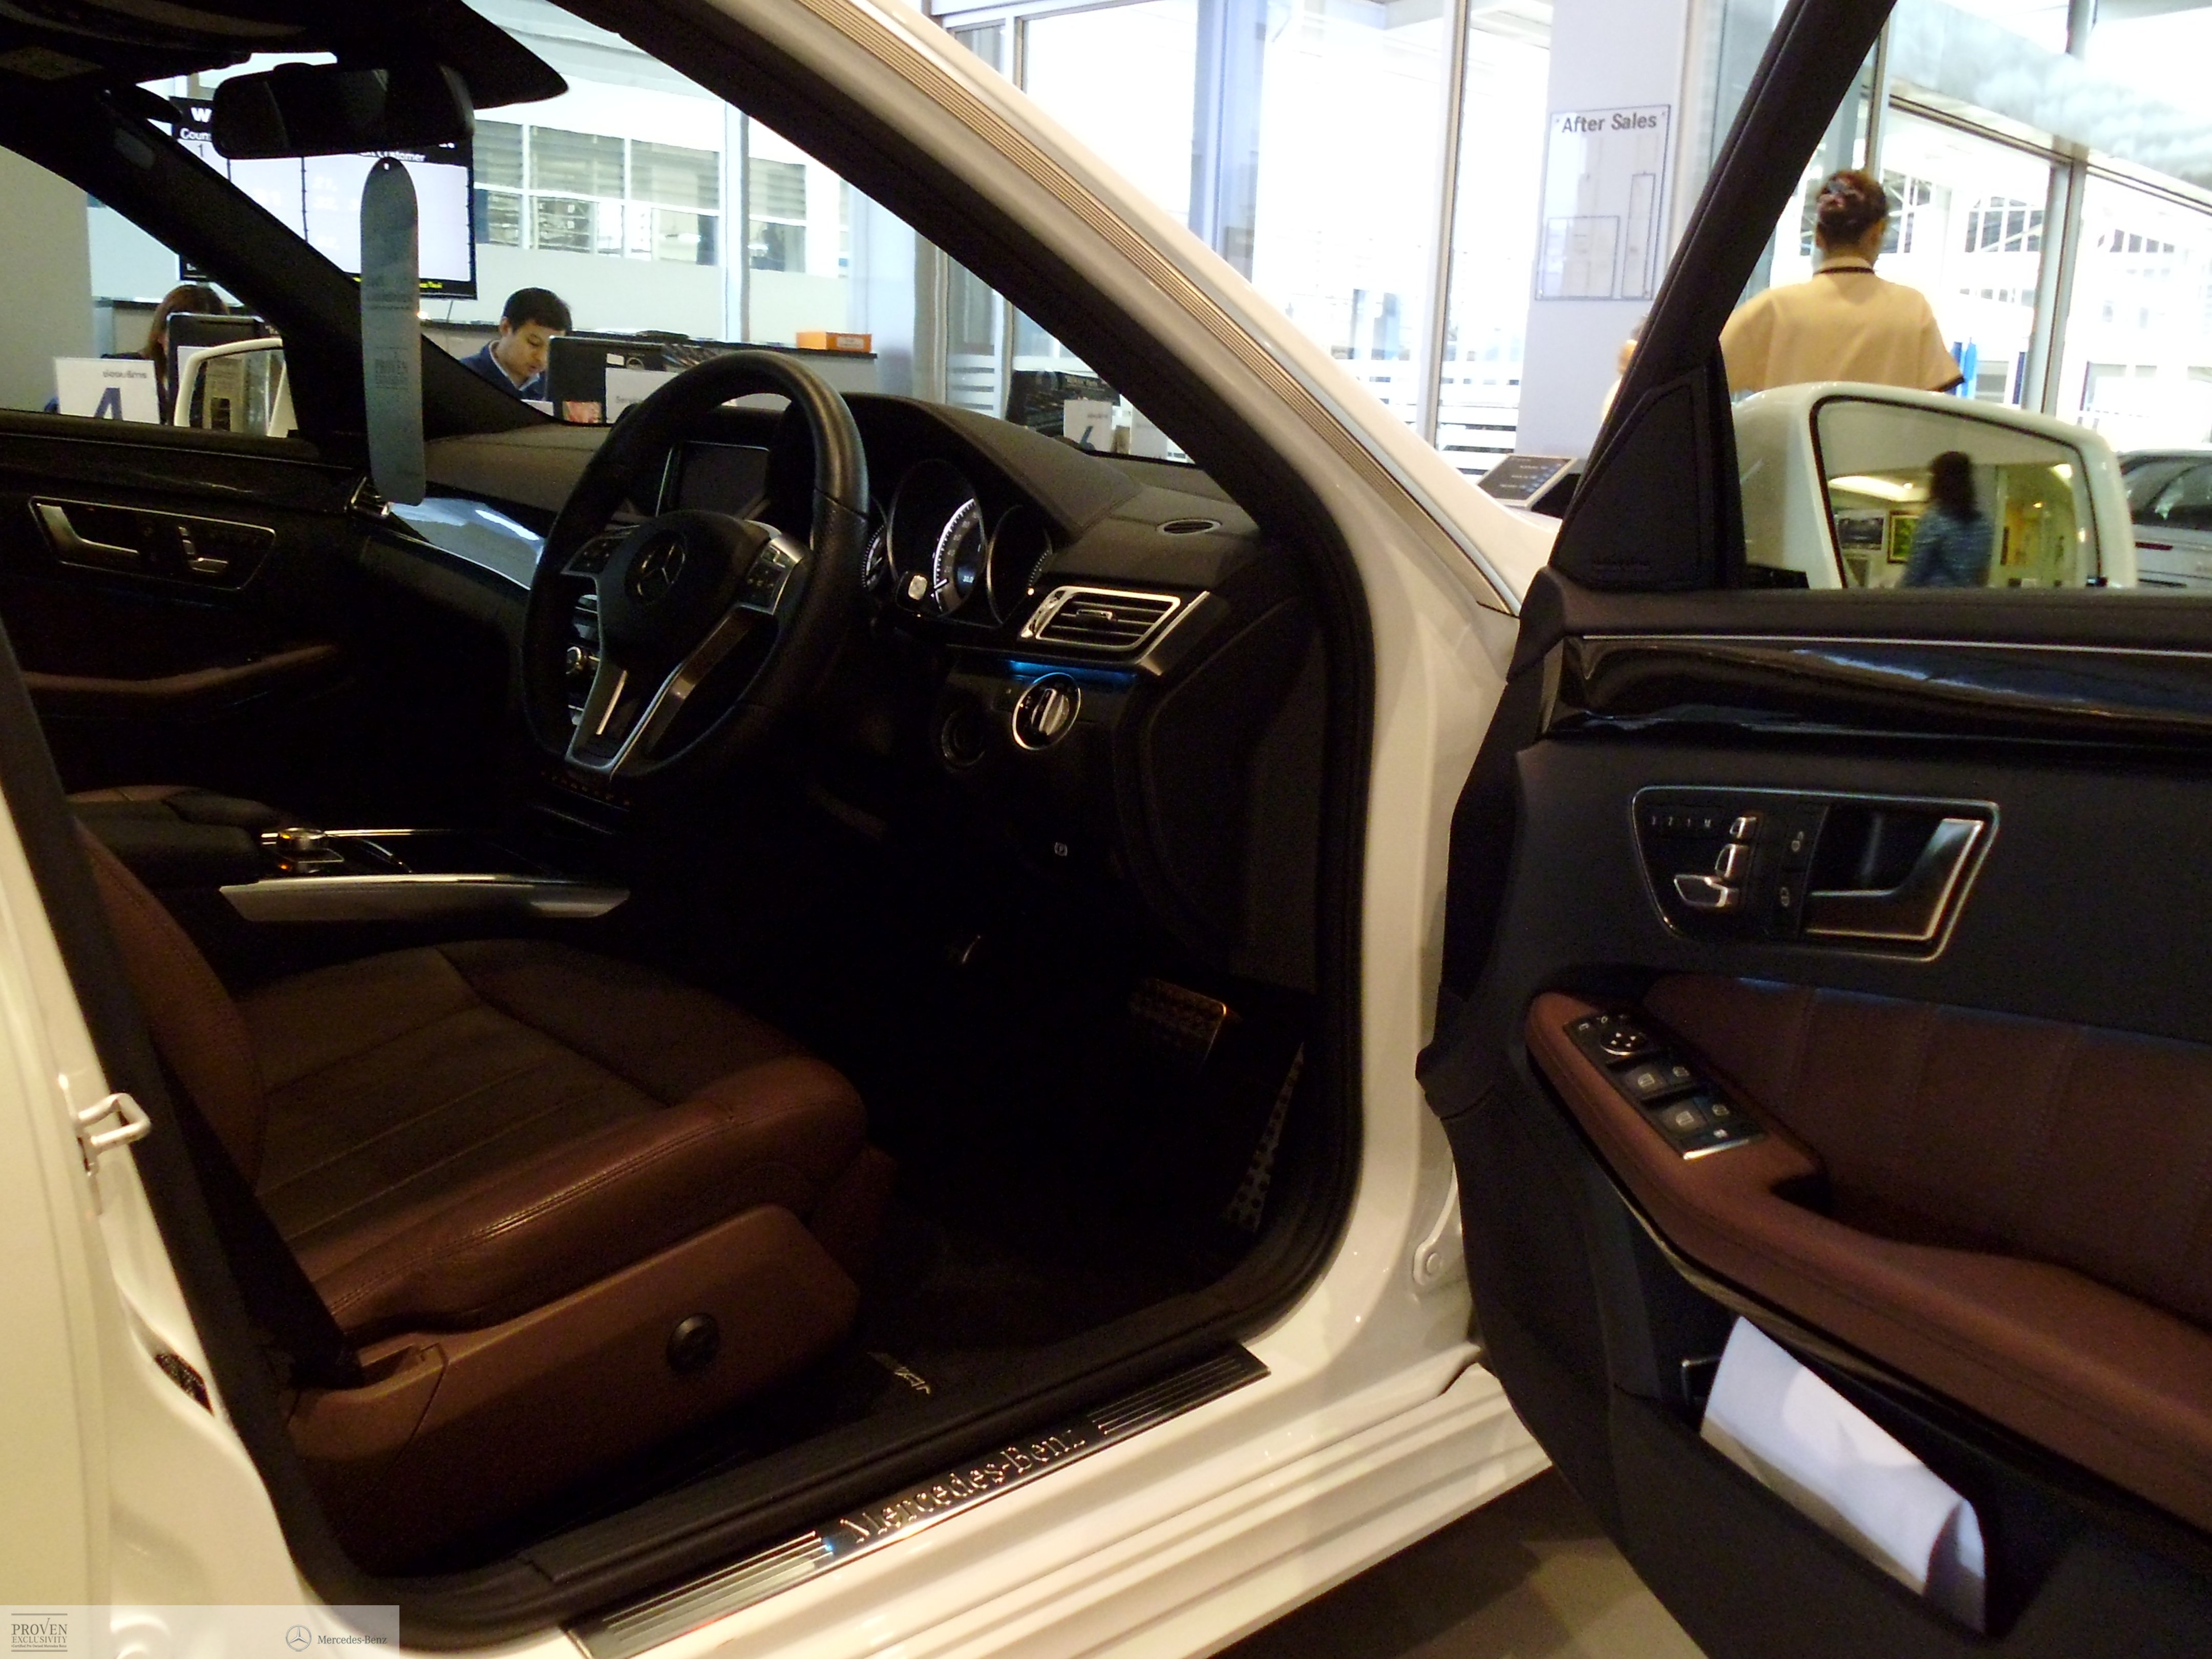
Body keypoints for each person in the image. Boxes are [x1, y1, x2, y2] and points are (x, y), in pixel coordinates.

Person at [1720, 169, 1963, 395]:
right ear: (1877, 232)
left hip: (1787, 432)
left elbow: (1707, 375)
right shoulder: (1912, 308)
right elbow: (1936, 398)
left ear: (1818, 236)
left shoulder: (1774, 309)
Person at [1901, 450, 1994, 588]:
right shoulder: (1983, 524)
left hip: (1934, 599)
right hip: (1968, 599)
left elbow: (1915, 573)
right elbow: (1982, 576)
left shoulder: (1934, 521)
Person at [461, 287, 571, 400]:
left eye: (552, 349)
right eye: (534, 343)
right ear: (505, 327)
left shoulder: (556, 386)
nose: (542, 359)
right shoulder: (462, 378)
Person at [141, 282, 227, 420]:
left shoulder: (232, 386)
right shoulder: (132, 374)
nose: (193, 344)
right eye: (183, 334)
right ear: (160, 334)